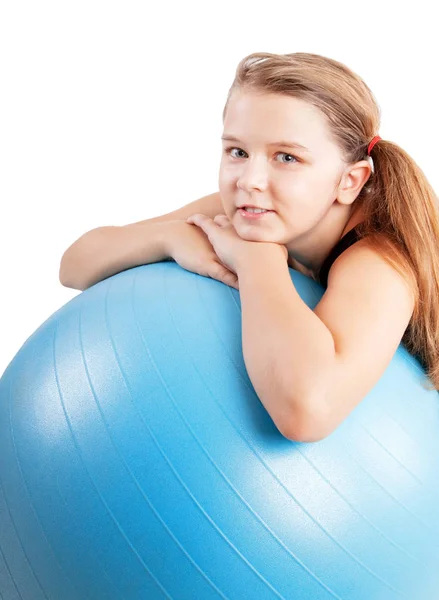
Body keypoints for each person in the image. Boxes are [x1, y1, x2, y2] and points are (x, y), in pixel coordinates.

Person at [59, 52, 439, 442]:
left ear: (350, 181)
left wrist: (258, 261)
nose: (250, 179)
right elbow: (75, 265)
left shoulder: (379, 264)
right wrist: (169, 236)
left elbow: (306, 413)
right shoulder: (256, 208)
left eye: (287, 157)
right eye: (237, 152)